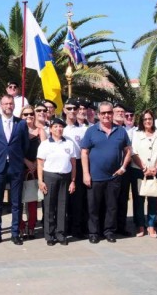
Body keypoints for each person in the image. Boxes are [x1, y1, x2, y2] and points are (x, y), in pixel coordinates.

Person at [80, 102, 132, 244]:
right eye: (103, 113)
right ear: (98, 114)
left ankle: (109, 231)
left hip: (113, 177)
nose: (106, 115)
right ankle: (94, 232)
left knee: (111, 206)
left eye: (109, 112)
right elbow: (84, 152)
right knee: (93, 207)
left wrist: (123, 167)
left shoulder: (121, 131)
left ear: (112, 113)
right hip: (95, 176)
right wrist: (86, 173)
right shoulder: (91, 131)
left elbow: (128, 151)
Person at [0, 94, 30, 245]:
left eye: (10, 103)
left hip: (16, 168)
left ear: (14, 105)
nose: (8, 106)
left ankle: (15, 233)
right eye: (5, 104)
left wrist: (16, 158)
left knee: (16, 203)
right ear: (1, 106)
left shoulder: (21, 124)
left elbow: (25, 145)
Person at [38, 117, 79, 245]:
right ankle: (49, 235)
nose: (58, 129)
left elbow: (73, 164)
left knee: (63, 206)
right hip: (50, 176)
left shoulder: (69, 143)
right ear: (50, 129)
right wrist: (40, 181)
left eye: (61, 127)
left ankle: (61, 234)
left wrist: (73, 181)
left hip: (65, 177)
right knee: (49, 206)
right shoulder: (45, 144)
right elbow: (40, 164)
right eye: (55, 126)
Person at [130, 109, 157, 238]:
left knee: (153, 199)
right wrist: (143, 167)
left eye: (149, 119)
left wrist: (156, 167)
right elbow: (133, 152)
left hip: (155, 171)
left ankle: (151, 226)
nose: (147, 121)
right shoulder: (136, 134)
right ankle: (140, 226)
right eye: (145, 119)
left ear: (153, 120)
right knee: (139, 200)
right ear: (142, 121)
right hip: (139, 171)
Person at [63, 98, 89, 238]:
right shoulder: (60, 128)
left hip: (78, 164)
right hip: (63, 165)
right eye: (69, 108)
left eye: (75, 108)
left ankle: (77, 228)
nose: (72, 111)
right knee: (64, 198)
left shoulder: (84, 130)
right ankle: (64, 227)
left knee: (78, 199)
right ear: (64, 110)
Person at [20, 105, 46, 240]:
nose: (28, 116)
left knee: (32, 200)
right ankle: (20, 226)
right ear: (21, 116)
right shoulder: (17, 130)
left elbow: (45, 149)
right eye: (25, 114)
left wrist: (36, 163)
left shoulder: (40, 131)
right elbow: (14, 149)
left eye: (31, 114)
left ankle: (31, 226)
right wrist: (26, 162)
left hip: (36, 168)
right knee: (18, 200)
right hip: (21, 167)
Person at [113, 103, 133, 237]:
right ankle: (109, 227)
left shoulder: (126, 130)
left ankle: (121, 226)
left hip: (125, 169)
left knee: (122, 198)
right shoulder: (107, 128)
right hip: (109, 169)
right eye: (118, 111)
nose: (120, 113)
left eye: (122, 112)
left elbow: (129, 151)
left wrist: (124, 167)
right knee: (109, 200)